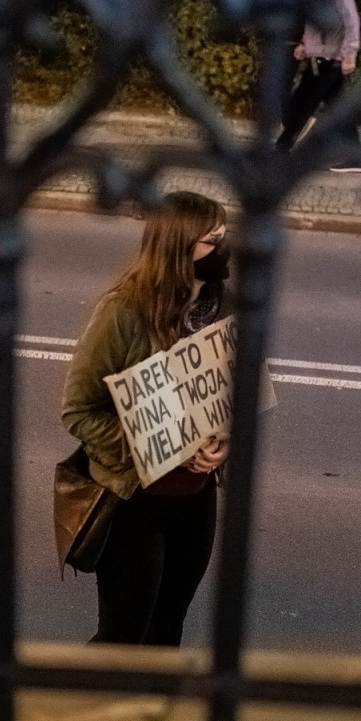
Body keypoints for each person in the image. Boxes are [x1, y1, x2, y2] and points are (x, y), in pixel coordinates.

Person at [61, 192, 231, 646]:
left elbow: (233, 393)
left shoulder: (223, 305)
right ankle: (87, 710)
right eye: (212, 241)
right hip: (136, 502)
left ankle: (150, 715)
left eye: (224, 236)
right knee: (122, 634)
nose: (224, 249)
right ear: (178, 249)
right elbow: (78, 409)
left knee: (166, 627)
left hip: (195, 502)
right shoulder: (123, 313)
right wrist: (161, 447)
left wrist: (225, 442)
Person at [275, 0, 361, 172]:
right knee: (337, 107)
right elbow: (315, 20)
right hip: (323, 54)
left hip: (329, 59)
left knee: (301, 103)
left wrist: (349, 54)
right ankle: (357, 158)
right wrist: (306, 45)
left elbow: (352, 20)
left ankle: (281, 151)